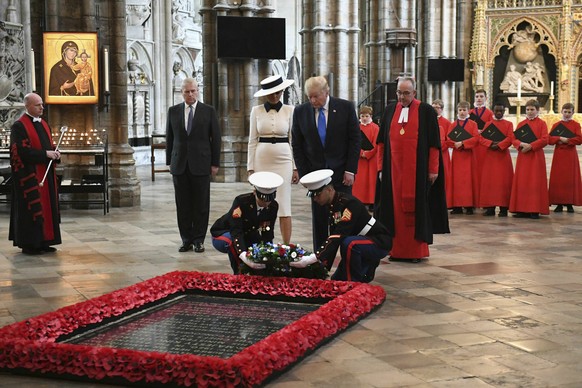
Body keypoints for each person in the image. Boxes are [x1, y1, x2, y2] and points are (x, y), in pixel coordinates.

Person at [375, 77, 449, 263]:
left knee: (416, 211)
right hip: (393, 173)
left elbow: (434, 145)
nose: (402, 96)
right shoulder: (390, 110)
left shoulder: (425, 111)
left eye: (406, 93)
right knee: (393, 211)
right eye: (399, 92)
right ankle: (395, 250)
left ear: (414, 93)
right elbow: (382, 144)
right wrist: (380, 168)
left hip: (418, 172)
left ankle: (414, 252)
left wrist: (433, 170)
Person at [292, 75, 361, 251]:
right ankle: (320, 259)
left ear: (326, 92)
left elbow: (355, 141)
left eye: (316, 96)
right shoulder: (301, 111)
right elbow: (297, 145)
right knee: (320, 221)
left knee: (344, 218)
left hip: (341, 173)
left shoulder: (345, 108)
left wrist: (350, 170)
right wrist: (304, 174)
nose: (312, 100)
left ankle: (347, 257)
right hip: (316, 175)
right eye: (309, 97)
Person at [298, 169, 391, 282]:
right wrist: (322, 269)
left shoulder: (349, 204)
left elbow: (339, 234)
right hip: (360, 242)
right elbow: (333, 238)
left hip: (378, 241)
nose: (315, 199)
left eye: (317, 194)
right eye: (312, 196)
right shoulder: (334, 205)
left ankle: (353, 284)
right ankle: (360, 273)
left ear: (329, 189)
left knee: (349, 244)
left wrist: (316, 257)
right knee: (336, 280)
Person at [166, 77, 221, 252]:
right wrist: (169, 161)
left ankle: (199, 239)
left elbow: (216, 138)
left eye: (193, 91)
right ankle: (186, 239)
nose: (190, 94)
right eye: (187, 92)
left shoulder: (208, 111)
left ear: (198, 91)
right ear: (181, 93)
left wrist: (215, 163)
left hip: (201, 163)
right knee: (182, 204)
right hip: (179, 164)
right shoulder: (173, 111)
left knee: (201, 204)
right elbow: (170, 138)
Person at [247, 75, 299, 244]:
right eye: (271, 94)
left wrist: (295, 167)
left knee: (284, 202)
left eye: (278, 93)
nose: (275, 96)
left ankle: (286, 244)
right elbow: (252, 140)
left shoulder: (290, 110)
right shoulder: (256, 111)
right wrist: (250, 166)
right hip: (262, 158)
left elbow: (294, 140)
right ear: (265, 94)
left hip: (284, 158)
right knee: (262, 201)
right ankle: (262, 242)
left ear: (282, 91)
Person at [9, 93, 61, 254]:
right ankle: (30, 244)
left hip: (45, 173)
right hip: (29, 175)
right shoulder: (19, 126)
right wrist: (46, 154)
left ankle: (45, 240)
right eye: (38, 105)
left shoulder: (44, 124)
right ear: (27, 106)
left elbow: (48, 146)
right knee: (32, 208)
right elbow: (21, 152)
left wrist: (55, 153)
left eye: (42, 104)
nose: (42, 108)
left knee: (47, 206)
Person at [211, 171, 283, 273]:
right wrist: (244, 256)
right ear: (255, 192)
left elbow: (268, 232)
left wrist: (268, 257)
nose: (266, 203)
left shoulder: (273, 206)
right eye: (262, 200)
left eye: (269, 200)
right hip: (224, 233)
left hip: (248, 234)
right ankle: (239, 274)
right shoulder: (242, 202)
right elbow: (236, 231)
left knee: (259, 247)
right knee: (232, 243)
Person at [509, 99, 549, 219]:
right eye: (527, 109)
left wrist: (531, 146)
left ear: (537, 110)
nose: (530, 112)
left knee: (534, 182)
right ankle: (521, 209)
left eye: (532, 109)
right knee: (522, 181)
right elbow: (513, 138)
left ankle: (534, 209)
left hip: (535, 156)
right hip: (524, 156)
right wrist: (521, 144)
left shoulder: (542, 123)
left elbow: (545, 139)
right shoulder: (521, 124)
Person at [478, 102, 515, 216]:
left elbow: (510, 138)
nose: (498, 113)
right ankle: (490, 207)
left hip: (502, 156)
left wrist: (499, 145)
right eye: (496, 110)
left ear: (504, 112)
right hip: (490, 156)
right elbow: (481, 138)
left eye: (501, 111)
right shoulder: (488, 124)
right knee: (490, 182)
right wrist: (490, 143)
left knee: (503, 182)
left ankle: (503, 208)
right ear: (493, 111)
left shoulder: (509, 124)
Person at [446, 101, 480, 215]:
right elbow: (448, 139)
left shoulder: (473, 124)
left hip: (468, 155)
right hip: (457, 155)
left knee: (468, 180)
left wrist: (463, 143)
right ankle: (457, 206)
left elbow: (476, 138)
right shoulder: (453, 124)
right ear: (457, 111)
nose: (462, 112)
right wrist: (454, 144)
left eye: (464, 110)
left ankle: (469, 205)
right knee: (456, 181)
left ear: (468, 111)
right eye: (460, 110)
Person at [548, 103, 582, 213]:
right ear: (562, 111)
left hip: (570, 154)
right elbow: (549, 139)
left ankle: (569, 203)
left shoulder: (576, 125)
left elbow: (579, 139)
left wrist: (567, 141)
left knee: (569, 178)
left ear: (573, 113)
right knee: (558, 179)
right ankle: (559, 203)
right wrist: (559, 138)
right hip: (559, 154)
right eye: (565, 111)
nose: (567, 114)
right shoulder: (556, 125)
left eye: (569, 112)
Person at [352, 105, 379, 210]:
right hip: (360, 160)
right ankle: (360, 200)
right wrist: (361, 153)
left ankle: (372, 201)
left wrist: (368, 153)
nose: (364, 118)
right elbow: (354, 142)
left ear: (370, 116)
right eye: (362, 116)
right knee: (360, 181)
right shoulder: (357, 128)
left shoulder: (376, 128)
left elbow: (376, 143)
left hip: (372, 159)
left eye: (366, 116)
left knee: (371, 181)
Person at [432, 99, 452, 207]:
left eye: (437, 107)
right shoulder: (428, 120)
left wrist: (439, 147)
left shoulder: (447, 123)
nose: (435, 109)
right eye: (433, 107)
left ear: (442, 109)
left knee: (444, 177)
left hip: (443, 154)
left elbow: (449, 139)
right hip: (431, 154)